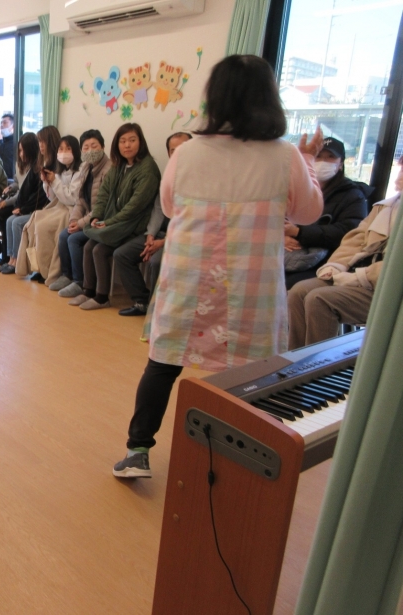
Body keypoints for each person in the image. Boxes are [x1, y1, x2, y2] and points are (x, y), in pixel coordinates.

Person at [112, 55, 324, 479]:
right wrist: (309, 161)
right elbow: (309, 212)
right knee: (255, 373)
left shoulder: (188, 152)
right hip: (252, 286)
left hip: (189, 280)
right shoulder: (285, 156)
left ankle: (138, 450)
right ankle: (246, 460)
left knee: (164, 363)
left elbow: (169, 207)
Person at [288, 160, 400, 348]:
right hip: (354, 271)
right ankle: (295, 356)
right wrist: (336, 266)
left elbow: (341, 231)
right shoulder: (386, 207)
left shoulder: (353, 195)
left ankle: (317, 362)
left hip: (386, 286)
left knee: (319, 299)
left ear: (340, 163)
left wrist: (360, 277)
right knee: (298, 292)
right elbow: (355, 239)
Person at [67, 123, 160, 310]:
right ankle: (88, 291)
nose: (127, 145)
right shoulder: (119, 165)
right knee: (89, 246)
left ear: (140, 142)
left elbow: (135, 207)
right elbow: (103, 194)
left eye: (132, 140)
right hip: (116, 224)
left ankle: (102, 297)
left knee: (99, 250)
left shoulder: (148, 168)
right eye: (122, 141)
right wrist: (97, 216)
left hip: (135, 226)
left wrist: (108, 222)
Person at [113, 132, 192, 316]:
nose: (178, 154)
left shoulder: (199, 181)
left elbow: (190, 222)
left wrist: (163, 242)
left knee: (156, 262)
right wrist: (150, 235)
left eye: (183, 149)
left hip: (182, 237)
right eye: (173, 150)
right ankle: (142, 301)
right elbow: (158, 209)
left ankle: (158, 309)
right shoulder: (168, 177)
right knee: (121, 254)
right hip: (159, 234)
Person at [283, 136, 370, 289]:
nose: (323, 161)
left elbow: (348, 232)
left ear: (341, 164)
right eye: (318, 156)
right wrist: (282, 236)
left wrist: (298, 232)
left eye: (330, 157)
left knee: (289, 285)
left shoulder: (353, 195)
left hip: (325, 260)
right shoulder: (295, 188)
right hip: (286, 253)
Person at [14, 135, 87, 282]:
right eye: (61, 149)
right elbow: (52, 197)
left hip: (72, 209)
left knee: (43, 227)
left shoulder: (80, 170)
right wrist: (47, 183)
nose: (64, 152)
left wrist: (55, 182)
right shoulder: (60, 170)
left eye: (68, 149)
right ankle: (37, 267)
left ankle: (49, 270)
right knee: (33, 223)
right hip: (58, 206)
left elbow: (71, 198)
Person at [54, 130, 112, 297]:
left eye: (94, 146)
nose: (90, 150)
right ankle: (67, 275)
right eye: (86, 147)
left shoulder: (109, 170)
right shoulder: (86, 167)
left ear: (103, 147)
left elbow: (102, 207)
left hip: (100, 220)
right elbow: (80, 200)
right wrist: (74, 219)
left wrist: (80, 224)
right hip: (87, 218)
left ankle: (79, 281)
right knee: (64, 235)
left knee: (74, 239)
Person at [0, 127, 59, 274]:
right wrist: (19, 206)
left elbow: (42, 196)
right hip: (33, 207)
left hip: (47, 209)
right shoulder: (40, 162)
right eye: (39, 141)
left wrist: (24, 209)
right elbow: (25, 188)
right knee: (10, 220)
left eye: (42, 141)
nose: (40, 145)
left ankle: (19, 261)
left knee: (17, 222)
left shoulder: (54, 164)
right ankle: (11, 258)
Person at [0, 134, 35, 262]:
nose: (21, 153)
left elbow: (24, 192)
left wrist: (7, 202)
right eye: (20, 150)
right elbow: (18, 184)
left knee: (2, 214)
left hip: (24, 202)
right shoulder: (19, 165)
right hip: (17, 198)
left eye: (23, 150)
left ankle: (7, 254)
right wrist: (11, 187)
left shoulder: (34, 168)